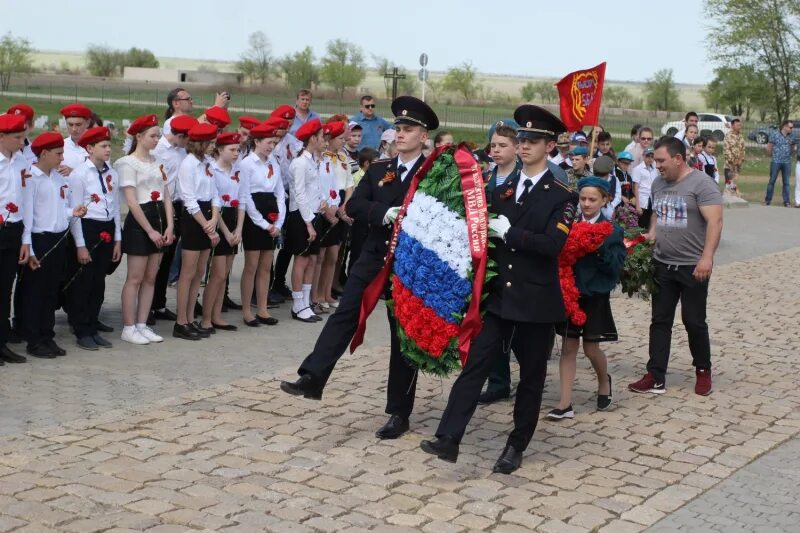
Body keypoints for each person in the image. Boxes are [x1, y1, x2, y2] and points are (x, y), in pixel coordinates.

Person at [419, 104, 578, 474]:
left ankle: (516, 444)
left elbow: (552, 246)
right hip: (501, 296)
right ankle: (449, 437)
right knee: (475, 366)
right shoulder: (503, 187)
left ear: (550, 146)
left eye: (533, 140)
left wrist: (511, 233)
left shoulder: (561, 194)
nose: (523, 146)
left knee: (532, 376)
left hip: (536, 300)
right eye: (521, 138)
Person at [281, 96, 437, 441]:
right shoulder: (381, 169)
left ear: (423, 136)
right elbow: (355, 204)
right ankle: (313, 376)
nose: (400, 134)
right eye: (397, 128)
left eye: (408, 129)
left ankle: (399, 411)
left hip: (410, 264)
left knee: (403, 337)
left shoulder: (435, 175)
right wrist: (385, 213)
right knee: (345, 313)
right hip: (373, 255)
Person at [629, 137, 723, 396]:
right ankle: (655, 374)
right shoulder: (659, 183)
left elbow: (715, 222)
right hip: (663, 264)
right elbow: (658, 213)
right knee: (659, 320)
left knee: (693, 321)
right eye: (655, 160)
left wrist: (707, 258)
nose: (656, 165)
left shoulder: (702, 184)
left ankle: (703, 370)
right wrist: (651, 235)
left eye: (661, 160)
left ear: (678, 159)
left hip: (693, 266)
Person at [547, 177, 625, 419]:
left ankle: (604, 381)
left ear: (604, 200)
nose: (587, 204)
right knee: (569, 348)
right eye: (583, 199)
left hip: (594, 295)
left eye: (593, 199)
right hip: (570, 293)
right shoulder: (568, 224)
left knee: (591, 349)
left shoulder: (612, 231)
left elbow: (615, 267)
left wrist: (599, 246)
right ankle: (565, 403)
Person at [19, 132, 88, 358]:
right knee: (35, 290)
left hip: (58, 238)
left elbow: (59, 209)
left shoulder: (59, 178)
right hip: (39, 238)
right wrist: (28, 245)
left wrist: (72, 212)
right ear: (44, 153)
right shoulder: (31, 178)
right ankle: (33, 338)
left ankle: (46, 334)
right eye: (58, 154)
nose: (62, 158)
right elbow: (28, 215)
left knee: (51, 289)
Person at [117, 114, 175, 345]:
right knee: (135, 277)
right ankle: (129, 326)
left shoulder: (157, 162)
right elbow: (131, 201)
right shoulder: (127, 163)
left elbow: (167, 196)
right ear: (139, 136)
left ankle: (142, 323)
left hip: (159, 217)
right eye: (152, 136)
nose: (156, 140)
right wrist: (150, 230)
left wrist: (170, 225)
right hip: (141, 222)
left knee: (151, 277)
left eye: (158, 136)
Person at [65, 126, 121, 350]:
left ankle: (92, 324)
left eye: (109, 145)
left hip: (106, 228)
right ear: (89, 148)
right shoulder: (79, 175)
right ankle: (81, 329)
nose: (108, 149)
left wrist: (118, 238)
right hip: (87, 228)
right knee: (83, 282)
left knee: (99, 281)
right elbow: (75, 212)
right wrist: (80, 245)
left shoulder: (112, 172)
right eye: (103, 146)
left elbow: (116, 207)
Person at [173, 123, 220, 340]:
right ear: (200, 144)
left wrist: (214, 219)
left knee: (200, 272)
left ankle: (191, 318)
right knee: (188, 272)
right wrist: (206, 225)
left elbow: (215, 194)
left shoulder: (208, 163)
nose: (213, 147)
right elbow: (189, 199)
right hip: (194, 220)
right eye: (210, 143)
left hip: (208, 217)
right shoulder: (188, 164)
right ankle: (181, 321)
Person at [150, 114, 198, 325]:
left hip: (177, 206)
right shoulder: (158, 149)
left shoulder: (181, 151)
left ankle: (159, 304)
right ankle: (148, 307)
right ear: (179, 135)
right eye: (187, 140)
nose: (189, 145)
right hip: (159, 205)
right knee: (155, 259)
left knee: (168, 258)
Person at [239, 121, 284, 327]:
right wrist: (263, 224)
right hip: (254, 216)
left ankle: (263, 308)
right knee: (252, 265)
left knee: (266, 266)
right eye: (268, 142)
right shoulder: (247, 164)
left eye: (274, 143)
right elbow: (246, 196)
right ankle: (247, 310)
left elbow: (280, 193)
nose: (271, 146)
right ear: (256, 141)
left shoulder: (273, 162)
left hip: (272, 211)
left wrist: (279, 222)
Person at [199, 132, 245, 332]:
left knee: (224, 274)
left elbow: (242, 200)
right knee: (216, 275)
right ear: (219, 150)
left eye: (238, 149)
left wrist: (239, 229)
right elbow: (215, 201)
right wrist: (226, 231)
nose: (236, 153)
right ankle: (206, 318)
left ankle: (217, 315)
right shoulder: (213, 170)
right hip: (219, 220)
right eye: (232, 150)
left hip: (234, 220)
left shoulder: (238, 171)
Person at [286, 118, 326, 323]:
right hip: (301, 217)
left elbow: (314, 190)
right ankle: (297, 303)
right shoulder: (300, 163)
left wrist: (321, 203)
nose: (323, 140)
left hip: (313, 214)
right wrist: (308, 223)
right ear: (312, 139)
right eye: (320, 137)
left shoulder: (313, 161)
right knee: (301, 259)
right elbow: (299, 194)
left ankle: (306, 302)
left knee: (312, 259)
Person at [315, 119, 354, 312]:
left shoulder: (343, 158)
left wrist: (345, 203)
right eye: (339, 138)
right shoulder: (323, 158)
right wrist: (334, 207)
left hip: (340, 203)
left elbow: (349, 184)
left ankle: (327, 292)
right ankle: (316, 295)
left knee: (334, 254)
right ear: (329, 139)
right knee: (320, 255)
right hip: (326, 206)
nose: (343, 141)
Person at [0, 114, 29, 364]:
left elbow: (25, 201)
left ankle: (2, 342)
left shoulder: (21, 162)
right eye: (17, 137)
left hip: (14, 229)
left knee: (5, 289)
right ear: (2, 137)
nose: (22, 142)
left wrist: (25, 238)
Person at [765, 119, 796, 207]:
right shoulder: (775, 134)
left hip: (787, 162)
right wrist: (772, 156)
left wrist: (791, 150)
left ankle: (786, 201)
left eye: (792, 127)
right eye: (790, 127)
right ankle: (768, 200)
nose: (791, 129)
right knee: (772, 180)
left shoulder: (792, 136)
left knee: (786, 182)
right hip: (776, 161)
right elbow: (769, 147)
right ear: (784, 126)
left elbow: (793, 148)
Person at [59, 103, 93, 175]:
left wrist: (73, 172)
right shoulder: (60, 146)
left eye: (78, 124)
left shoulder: (97, 146)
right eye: (70, 125)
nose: (74, 129)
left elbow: (103, 174)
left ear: (87, 123)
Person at [633, 147, 658, 228]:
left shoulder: (654, 169)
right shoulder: (638, 169)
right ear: (643, 156)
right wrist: (638, 205)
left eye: (652, 156)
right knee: (641, 222)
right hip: (643, 199)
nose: (650, 159)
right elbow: (636, 187)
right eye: (648, 156)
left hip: (652, 198)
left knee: (650, 221)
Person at [723, 118, 745, 197]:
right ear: (732, 126)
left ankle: (735, 194)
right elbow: (726, 150)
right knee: (729, 180)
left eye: (740, 125)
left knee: (735, 180)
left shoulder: (741, 136)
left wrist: (740, 159)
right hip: (729, 164)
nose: (740, 126)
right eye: (737, 125)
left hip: (738, 163)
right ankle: (727, 196)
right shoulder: (728, 136)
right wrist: (732, 161)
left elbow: (743, 149)